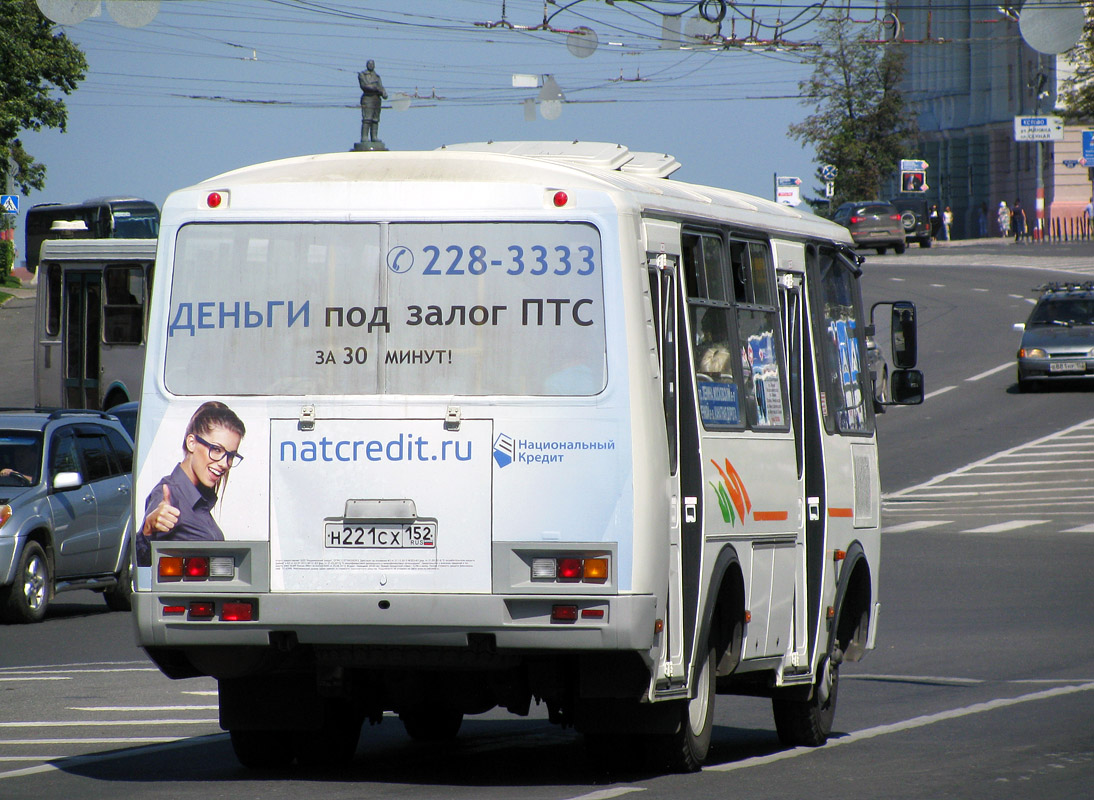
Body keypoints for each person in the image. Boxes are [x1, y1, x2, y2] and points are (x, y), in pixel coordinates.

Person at [137, 401, 246, 567]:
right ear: (192, 443)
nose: (224, 463)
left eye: (230, 455)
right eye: (216, 449)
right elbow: (143, 562)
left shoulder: (199, 501)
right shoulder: (168, 494)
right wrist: (148, 530)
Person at [358, 60, 387, 143]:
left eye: (372, 64)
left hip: (377, 99)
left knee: (375, 119)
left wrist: (384, 92)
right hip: (368, 98)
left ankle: (374, 137)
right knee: (367, 119)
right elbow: (365, 86)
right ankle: (364, 137)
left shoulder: (377, 76)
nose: (371, 65)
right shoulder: (362, 74)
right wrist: (376, 88)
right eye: (369, 64)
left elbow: (381, 87)